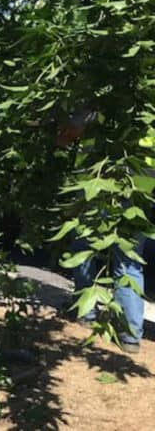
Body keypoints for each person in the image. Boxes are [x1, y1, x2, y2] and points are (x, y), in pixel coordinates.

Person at [58, 108, 147, 354]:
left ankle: (86, 313)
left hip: (102, 189)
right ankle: (130, 334)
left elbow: (67, 134)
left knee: (84, 245)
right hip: (143, 191)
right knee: (128, 259)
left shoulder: (105, 97)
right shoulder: (142, 100)